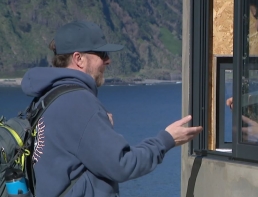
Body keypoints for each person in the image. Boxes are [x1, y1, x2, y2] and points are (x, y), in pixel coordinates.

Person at [20, 20, 203, 197]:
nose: (108, 61)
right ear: (79, 59)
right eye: (102, 54)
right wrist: (166, 140)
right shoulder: (78, 102)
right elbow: (122, 165)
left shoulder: (46, 97)